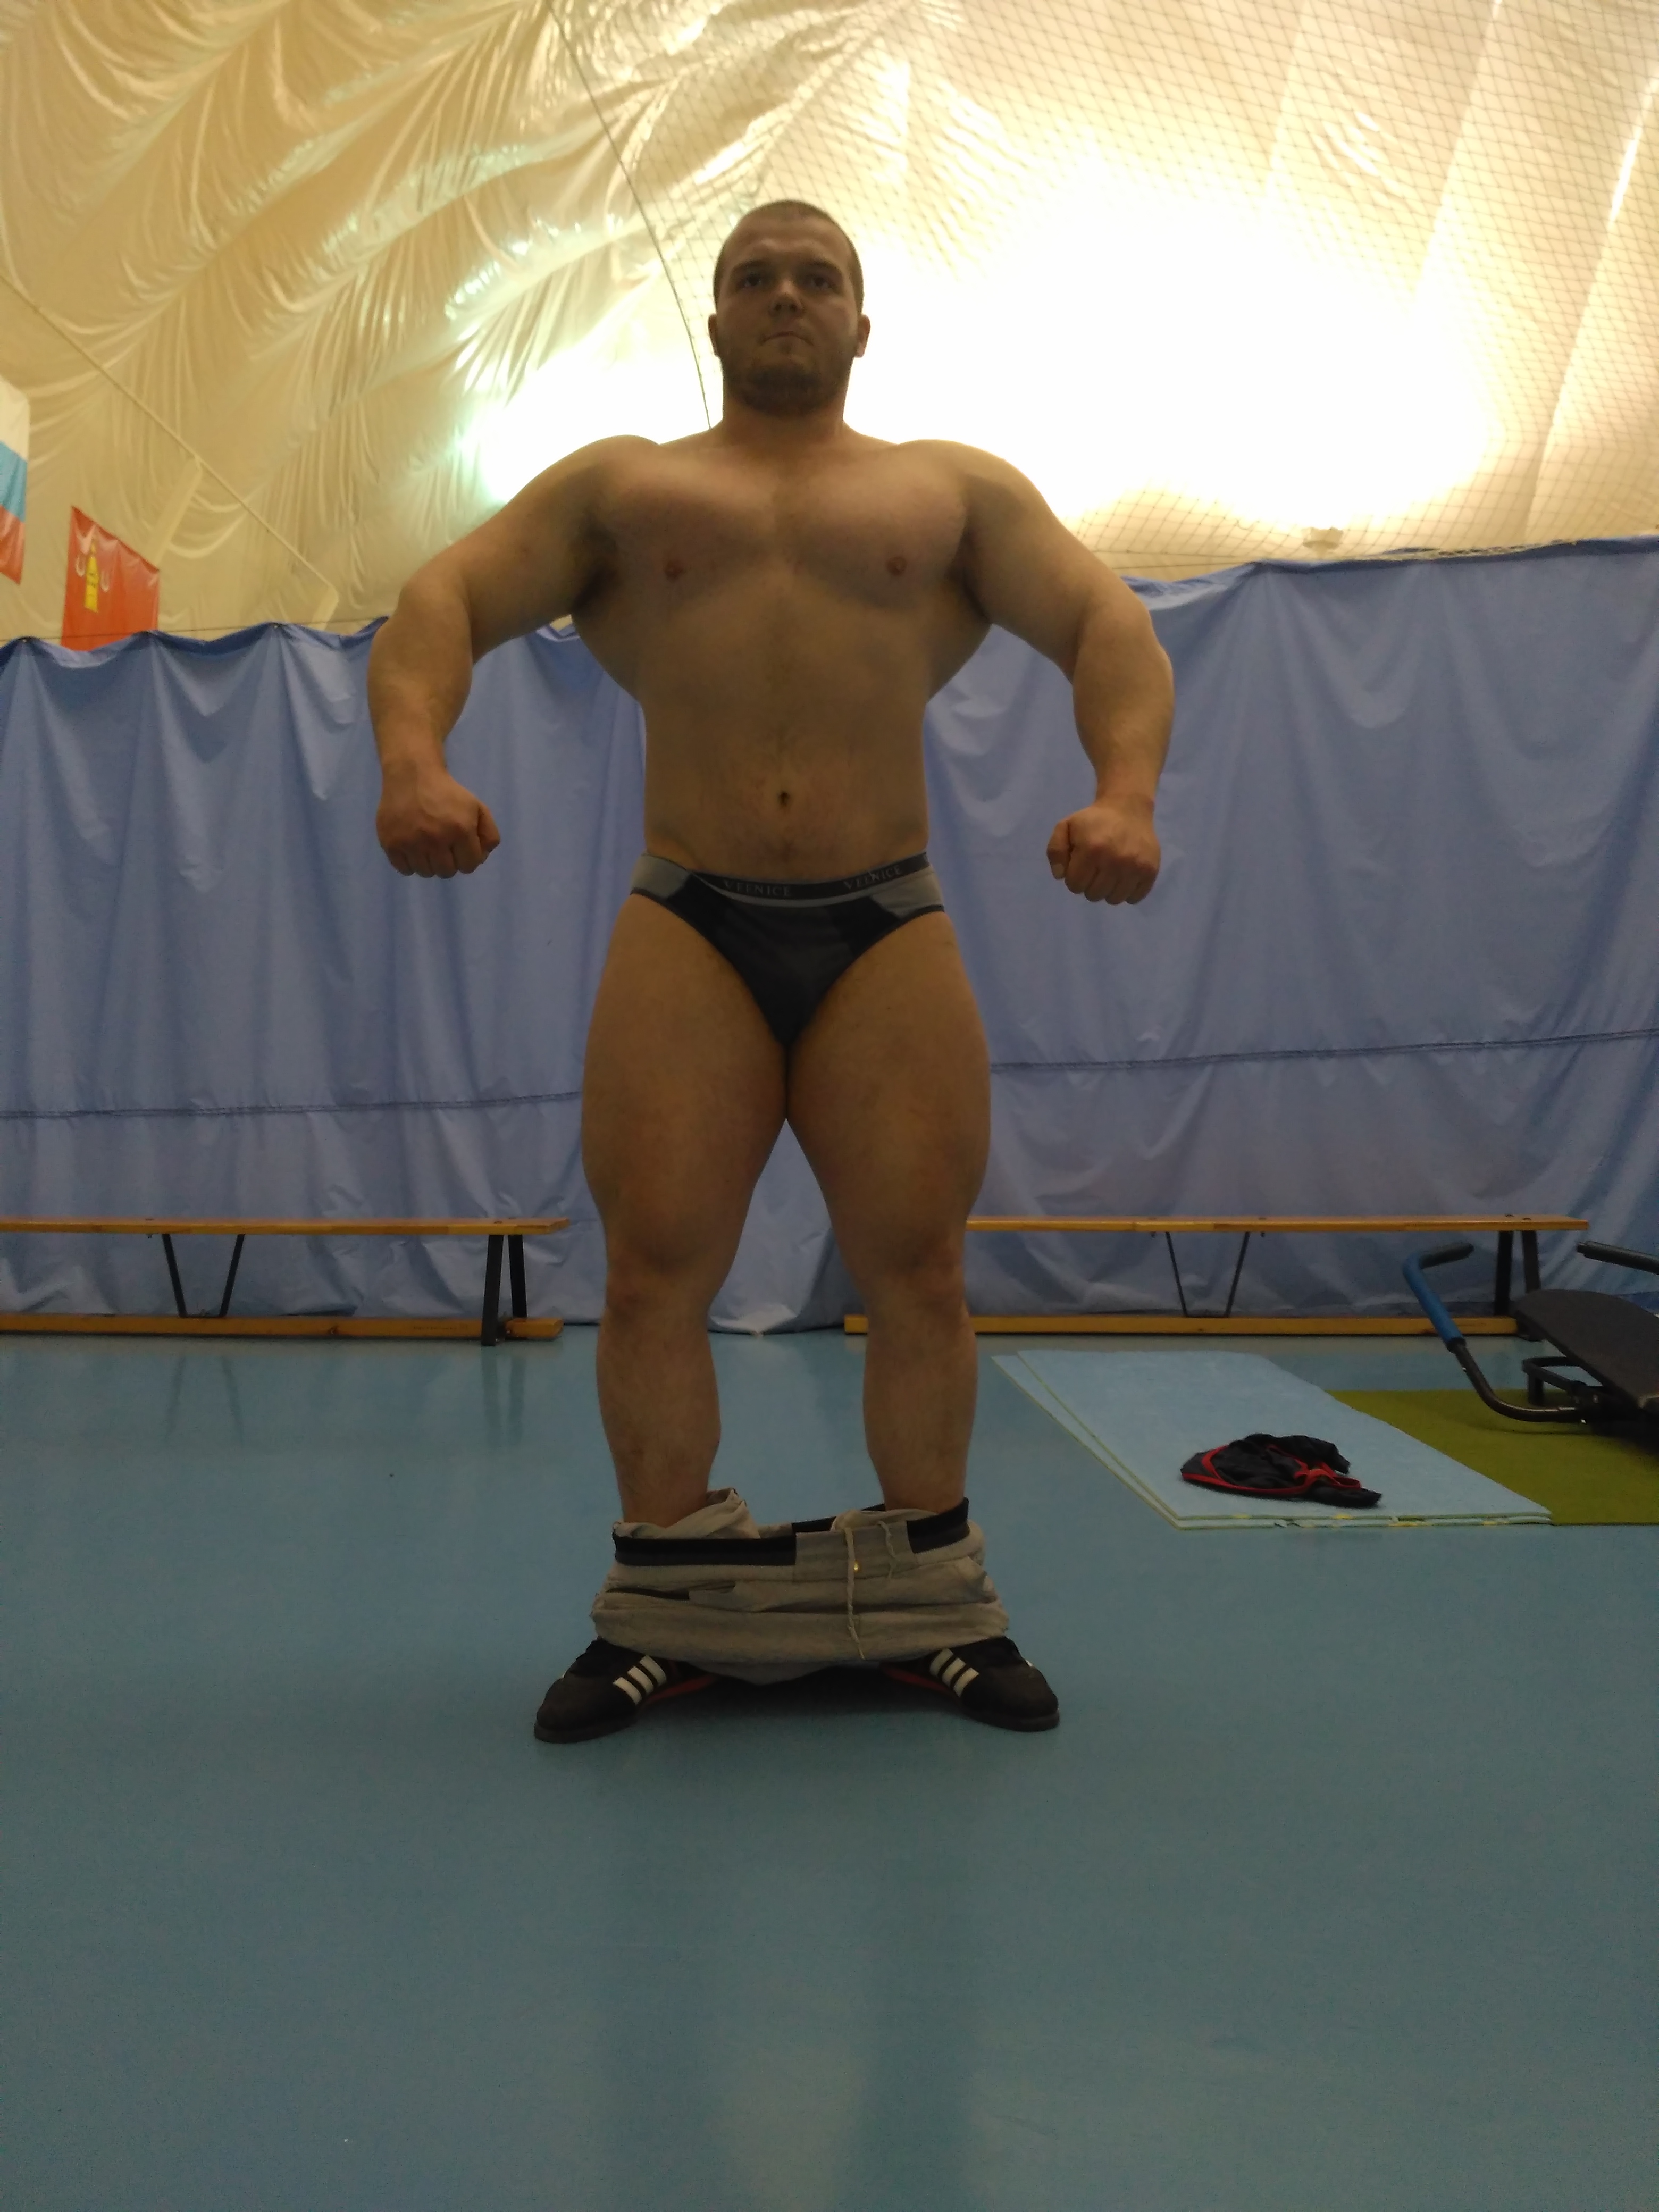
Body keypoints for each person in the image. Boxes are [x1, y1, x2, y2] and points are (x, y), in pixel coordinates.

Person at [368, 200, 1174, 1741]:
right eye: (755, 277)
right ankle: (663, 1610)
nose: (786, 295)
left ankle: (937, 1608)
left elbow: (1105, 622)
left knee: (919, 1272)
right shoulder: (626, 487)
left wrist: (1127, 795)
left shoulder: (951, 490)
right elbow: (441, 601)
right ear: (716, 320)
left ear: (864, 323)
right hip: (694, 916)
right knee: (653, 1274)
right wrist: (414, 762)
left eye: (818, 278)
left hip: (887, 922)